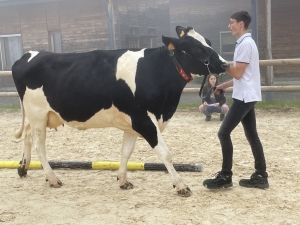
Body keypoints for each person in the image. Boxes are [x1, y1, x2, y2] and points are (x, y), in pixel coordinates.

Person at [203, 11, 269, 189]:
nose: (229, 25)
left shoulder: (245, 44)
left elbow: (237, 72)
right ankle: (261, 175)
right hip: (247, 95)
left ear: (241, 24)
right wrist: (222, 86)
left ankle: (226, 175)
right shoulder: (246, 43)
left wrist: (222, 65)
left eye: (232, 22)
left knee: (223, 133)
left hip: (244, 98)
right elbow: (242, 75)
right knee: (252, 135)